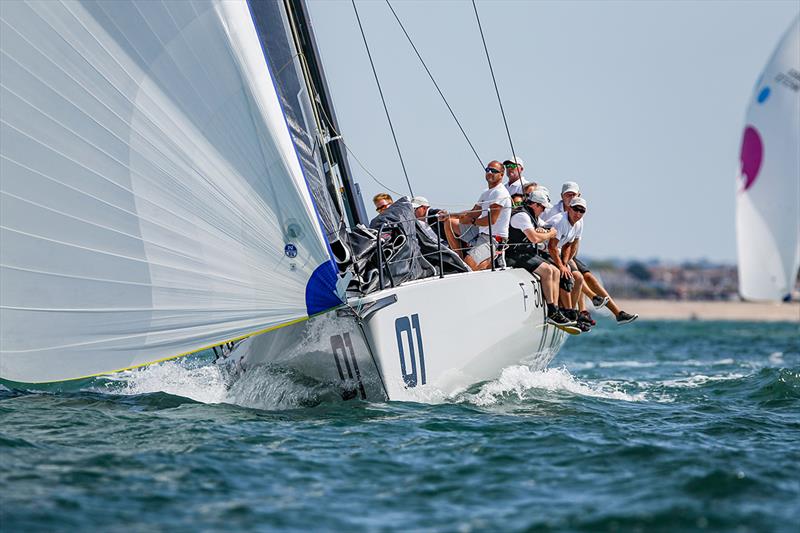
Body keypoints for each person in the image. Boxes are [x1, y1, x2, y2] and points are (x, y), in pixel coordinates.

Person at [506, 190, 573, 326]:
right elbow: (534, 238)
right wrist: (549, 234)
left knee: (555, 271)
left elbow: (545, 226)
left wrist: (544, 230)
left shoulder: (534, 216)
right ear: (535, 205)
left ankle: (555, 309)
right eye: (542, 207)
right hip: (514, 255)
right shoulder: (522, 216)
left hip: (526, 254)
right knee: (547, 271)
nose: (543, 210)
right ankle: (552, 310)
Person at [444, 160, 512, 270]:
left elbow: (491, 220)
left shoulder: (500, 192)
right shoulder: (486, 193)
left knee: (470, 264)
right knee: (450, 223)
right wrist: (450, 215)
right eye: (487, 170)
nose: (490, 172)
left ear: (501, 175)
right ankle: (461, 263)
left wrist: (472, 222)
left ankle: (489, 259)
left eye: (494, 171)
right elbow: (474, 212)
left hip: (493, 238)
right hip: (481, 231)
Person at [546, 197, 589, 329]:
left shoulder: (578, 223)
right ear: (569, 208)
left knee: (578, 277)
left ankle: (570, 311)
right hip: (542, 250)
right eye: (576, 209)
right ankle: (567, 312)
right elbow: (551, 247)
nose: (578, 213)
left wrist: (565, 263)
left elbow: (568, 245)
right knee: (565, 276)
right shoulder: (560, 221)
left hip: (556, 251)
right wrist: (561, 266)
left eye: (582, 211)